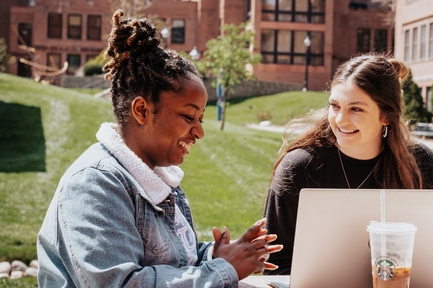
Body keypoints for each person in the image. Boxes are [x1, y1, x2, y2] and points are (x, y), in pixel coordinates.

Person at [37, 10, 281, 287]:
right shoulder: (94, 184)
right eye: (188, 117)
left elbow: (173, 261)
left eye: (200, 119)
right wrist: (223, 270)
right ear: (142, 110)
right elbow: (122, 283)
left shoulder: (159, 179)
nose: (199, 131)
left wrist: (214, 255)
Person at [262, 54, 433, 287]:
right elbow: (274, 263)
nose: (341, 120)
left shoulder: (419, 162)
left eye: (356, 109)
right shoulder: (300, 167)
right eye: (335, 106)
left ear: (386, 116)